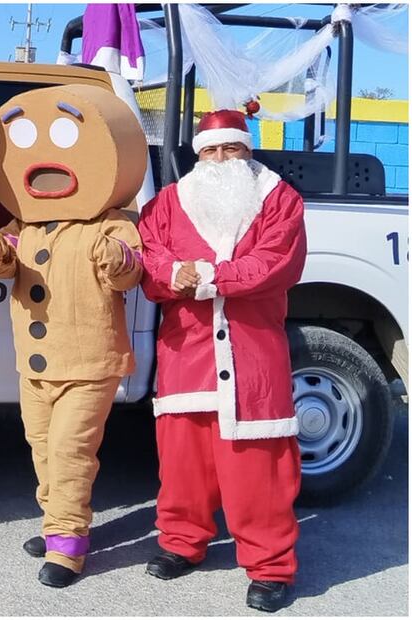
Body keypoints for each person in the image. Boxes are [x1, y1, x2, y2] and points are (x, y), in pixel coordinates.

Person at [137, 109, 307, 613]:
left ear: (247, 151)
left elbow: (276, 262)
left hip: (251, 352)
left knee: (257, 466)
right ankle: (181, 541)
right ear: (197, 154)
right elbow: (149, 257)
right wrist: (172, 274)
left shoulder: (279, 199)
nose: (220, 158)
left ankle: (270, 566)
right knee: (183, 460)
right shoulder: (168, 201)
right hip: (186, 351)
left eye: (230, 148)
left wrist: (210, 277)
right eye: (210, 150)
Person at [0, 84, 146, 587]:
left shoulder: (113, 224)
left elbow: (130, 272)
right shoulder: (26, 223)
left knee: (72, 450)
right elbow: (5, 260)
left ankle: (68, 542)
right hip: (36, 363)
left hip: (89, 363)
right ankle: (57, 522)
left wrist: (117, 261)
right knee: (42, 446)